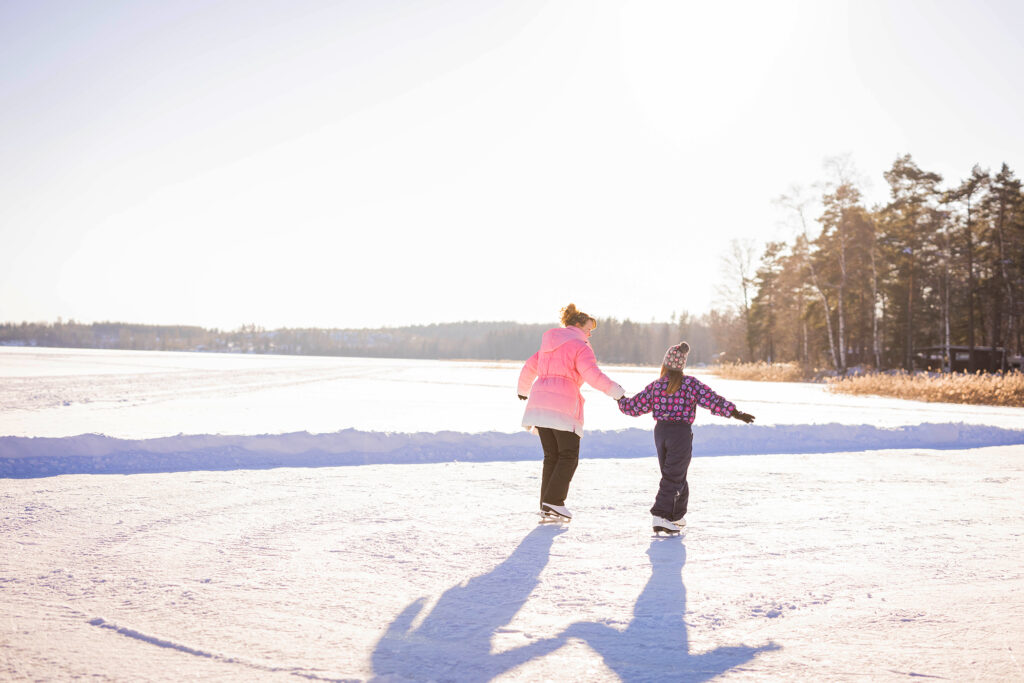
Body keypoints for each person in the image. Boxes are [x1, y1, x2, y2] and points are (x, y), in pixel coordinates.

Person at [617, 342, 755, 534]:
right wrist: (734, 412)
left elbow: (633, 407)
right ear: (682, 365)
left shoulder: (656, 386)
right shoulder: (690, 383)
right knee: (674, 475)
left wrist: (619, 398)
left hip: (661, 433)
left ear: (665, 364)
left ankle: (676, 515)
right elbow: (712, 399)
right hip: (680, 433)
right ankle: (661, 515)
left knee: (675, 474)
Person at [518, 303, 625, 521]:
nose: (590, 334)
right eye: (588, 329)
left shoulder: (549, 344)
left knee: (552, 457)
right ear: (577, 325)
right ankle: (554, 502)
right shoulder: (580, 346)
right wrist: (617, 392)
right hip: (563, 405)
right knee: (568, 456)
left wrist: (523, 390)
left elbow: (530, 366)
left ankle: (547, 504)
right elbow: (592, 374)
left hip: (539, 404)